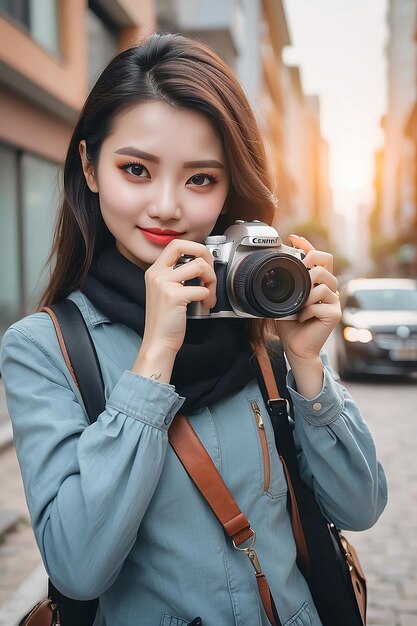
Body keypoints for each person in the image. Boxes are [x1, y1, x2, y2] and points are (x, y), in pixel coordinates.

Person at [1, 33, 387, 626]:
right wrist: (154, 358)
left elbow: (359, 506)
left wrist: (308, 365)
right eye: (136, 169)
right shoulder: (44, 348)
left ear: (230, 185)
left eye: (200, 179)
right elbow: (77, 565)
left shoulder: (257, 324)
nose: (166, 206)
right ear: (90, 166)